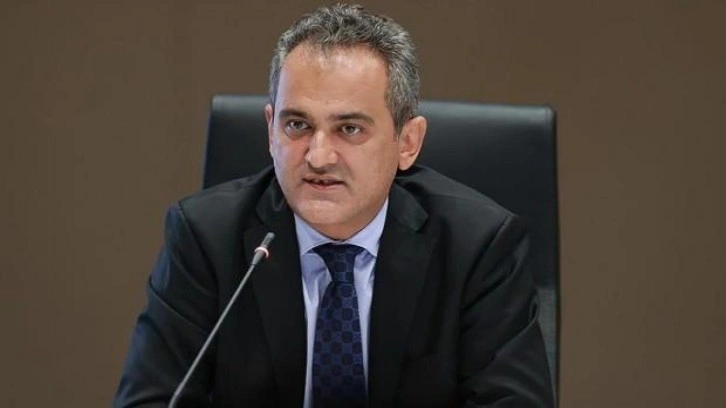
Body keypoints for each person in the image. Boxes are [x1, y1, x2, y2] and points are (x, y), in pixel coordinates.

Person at [114, 4, 554, 407]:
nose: (319, 156)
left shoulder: (477, 248)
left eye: (349, 129)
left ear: (407, 142)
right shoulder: (206, 238)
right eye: (297, 125)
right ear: (270, 130)